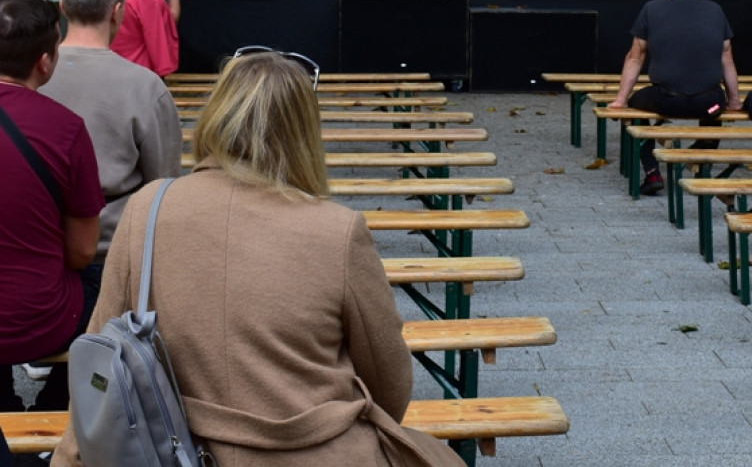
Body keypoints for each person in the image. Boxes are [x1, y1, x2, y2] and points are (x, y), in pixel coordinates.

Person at [50, 52, 465, 467]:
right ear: (304, 131)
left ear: (216, 115)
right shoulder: (337, 230)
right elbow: (389, 380)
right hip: (316, 450)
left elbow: (100, 350)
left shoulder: (147, 209)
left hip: (172, 446)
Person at [41, 0, 183, 271]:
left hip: (36, 245)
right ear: (117, 11)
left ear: (63, 7)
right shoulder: (145, 87)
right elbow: (163, 187)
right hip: (114, 254)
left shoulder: (31, 75)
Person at [0, 0, 104, 416]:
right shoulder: (65, 128)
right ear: (45, 61)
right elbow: (80, 252)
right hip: (39, 321)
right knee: (109, 291)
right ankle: (60, 403)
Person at [609, 0, 742, 195]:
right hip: (708, 104)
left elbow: (635, 57)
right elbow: (727, 59)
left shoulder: (651, 9)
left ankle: (652, 172)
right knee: (716, 111)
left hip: (666, 101)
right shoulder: (715, 10)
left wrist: (620, 100)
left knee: (635, 108)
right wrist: (734, 101)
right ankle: (700, 161)